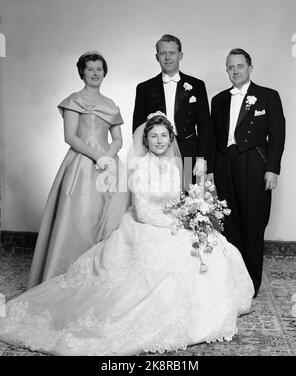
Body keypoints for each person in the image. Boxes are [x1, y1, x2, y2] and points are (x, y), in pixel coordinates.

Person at [0, 114, 254, 356]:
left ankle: (207, 307)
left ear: (170, 138)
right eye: (153, 136)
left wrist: (191, 216)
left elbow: (177, 202)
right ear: (145, 140)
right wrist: (178, 225)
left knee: (215, 246)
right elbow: (143, 212)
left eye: (164, 136)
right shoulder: (140, 167)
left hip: (172, 223)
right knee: (166, 265)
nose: (159, 141)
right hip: (145, 226)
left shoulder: (176, 166)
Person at [28, 51, 127, 288]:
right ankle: (66, 279)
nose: (95, 73)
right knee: (81, 219)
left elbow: (118, 139)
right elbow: (70, 137)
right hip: (82, 165)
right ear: (82, 72)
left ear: (105, 73)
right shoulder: (73, 100)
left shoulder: (111, 104)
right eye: (90, 69)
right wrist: (98, 157)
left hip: (109, 165)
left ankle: (99, 280)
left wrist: (108, 158)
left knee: (109, 221)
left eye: (99, 69)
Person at [211, 48, 285, 298]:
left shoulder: (268, 96)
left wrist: (272, 169)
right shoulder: (218, 100)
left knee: (253, 223)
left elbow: (277, 136)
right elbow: (212, 139)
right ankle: (233, 279)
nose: (235, 71)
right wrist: (211, 171)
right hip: (225, 165)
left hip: (254, 163)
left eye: (239, 66)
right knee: (228, 223)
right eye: (230, 67)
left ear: (250, 68)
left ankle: (251, 284)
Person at [133, 34, 213, 185]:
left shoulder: (197, 85)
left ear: (180, 55)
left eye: (172, 53)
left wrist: (202, 159)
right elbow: (138, 128)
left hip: (189, 153)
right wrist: (142, 159)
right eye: (163, 53)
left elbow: (205, 127)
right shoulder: (144, 88)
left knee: (190, 201)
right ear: (157, 57)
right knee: (160, 199)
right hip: (156, 153)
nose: (167, 57)